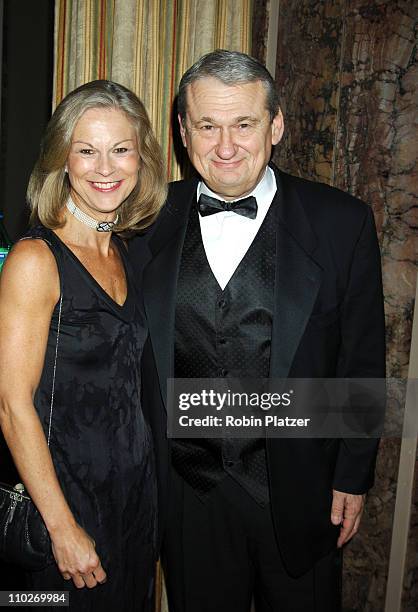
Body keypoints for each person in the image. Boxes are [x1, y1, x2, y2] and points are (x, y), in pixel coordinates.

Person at [131, 50, 386, 612]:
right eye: (207, 126)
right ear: (183, 130)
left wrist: (352, 474)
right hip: (187, 494)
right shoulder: (144, 221)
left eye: (244, 124)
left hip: (300, 491)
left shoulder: (343, 222)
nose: (225, 147)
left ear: (276, 125)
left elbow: (363, 359)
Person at [0, 80, 166, 611]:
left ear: (141, 158)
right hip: (63, 512)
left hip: (134, 507)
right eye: (87, 151)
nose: (106, 168)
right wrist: (62, 527)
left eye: (120, 150)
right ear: (62, 161)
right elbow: (11, 406)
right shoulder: (36, 258)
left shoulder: (128, 253)